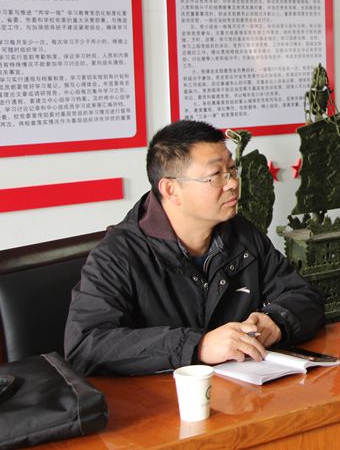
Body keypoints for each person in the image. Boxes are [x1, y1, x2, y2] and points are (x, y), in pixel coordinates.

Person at [65, 120, 325, 376]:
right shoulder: (117, 256)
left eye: (232, 170)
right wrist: (198, 346)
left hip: (240, 392)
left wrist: (277, 321)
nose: (232, 183)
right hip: (161, 398)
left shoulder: (242, 235)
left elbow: (305, 296)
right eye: (215, 176)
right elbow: (86, 345)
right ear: (170, 189)